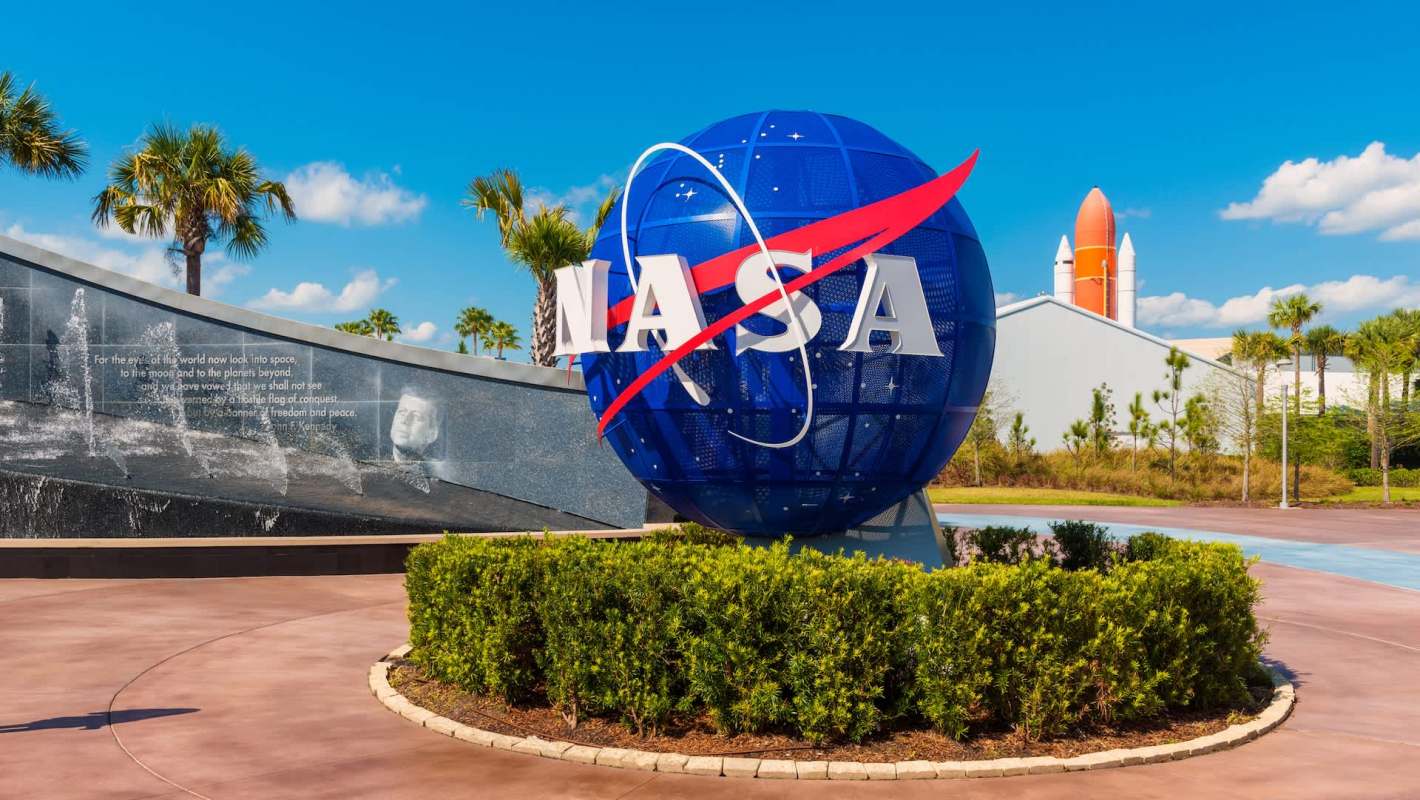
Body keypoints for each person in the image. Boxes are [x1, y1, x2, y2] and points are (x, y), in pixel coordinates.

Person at [390, 392, 440, 462]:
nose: (405, 421)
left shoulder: (438, 469)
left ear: (432, 432)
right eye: (402, 412)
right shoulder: (373, 460)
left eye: (416, 416)